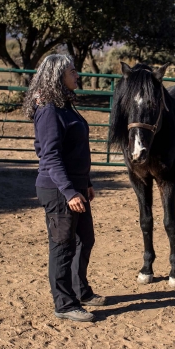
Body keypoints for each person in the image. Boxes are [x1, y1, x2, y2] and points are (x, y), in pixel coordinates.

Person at [23, 54, 105, 323]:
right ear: (58, 76)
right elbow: (50, 156)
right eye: (72, 71)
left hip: (75, 186)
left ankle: (80, 290)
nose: (76, 75)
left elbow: (76, 150)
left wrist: (86, 183)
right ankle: (64, 304)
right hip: (59, 189)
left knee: (85, 239)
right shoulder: (49, 111)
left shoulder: (65, 105)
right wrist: (70, 191)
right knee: (62, 246)